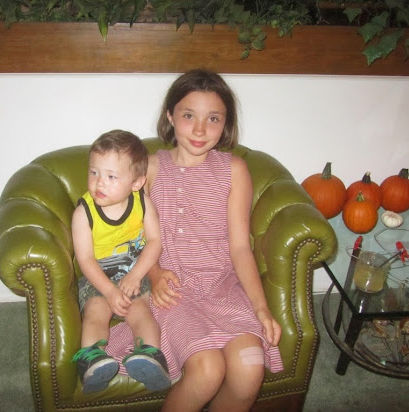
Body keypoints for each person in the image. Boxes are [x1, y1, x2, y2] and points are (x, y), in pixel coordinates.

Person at [106, 70, 283, 411]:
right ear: (170, 116)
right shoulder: (150, 168)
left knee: (250, 368)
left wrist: (261, 308)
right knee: (207, 370)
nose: (200, 130)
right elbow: (132, 237)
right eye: (189, 116)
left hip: (222, 287)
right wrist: (155, 274)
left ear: (226, 123)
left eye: (213, 119)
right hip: (172, 292)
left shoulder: (235, 170)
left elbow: (240, 247)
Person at [71, 130, 170, 394]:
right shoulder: (84, 212)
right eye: (94, 172)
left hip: (133, 274)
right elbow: (85, 259)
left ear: (136, 182)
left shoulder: (142, 202)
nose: (99, 183)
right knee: (95, 312)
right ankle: (92, 359)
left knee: (141, 312)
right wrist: (109, 291)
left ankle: (149, 355)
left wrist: (136, 275)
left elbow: (155, 242)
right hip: (98, 278)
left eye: (111, 177)